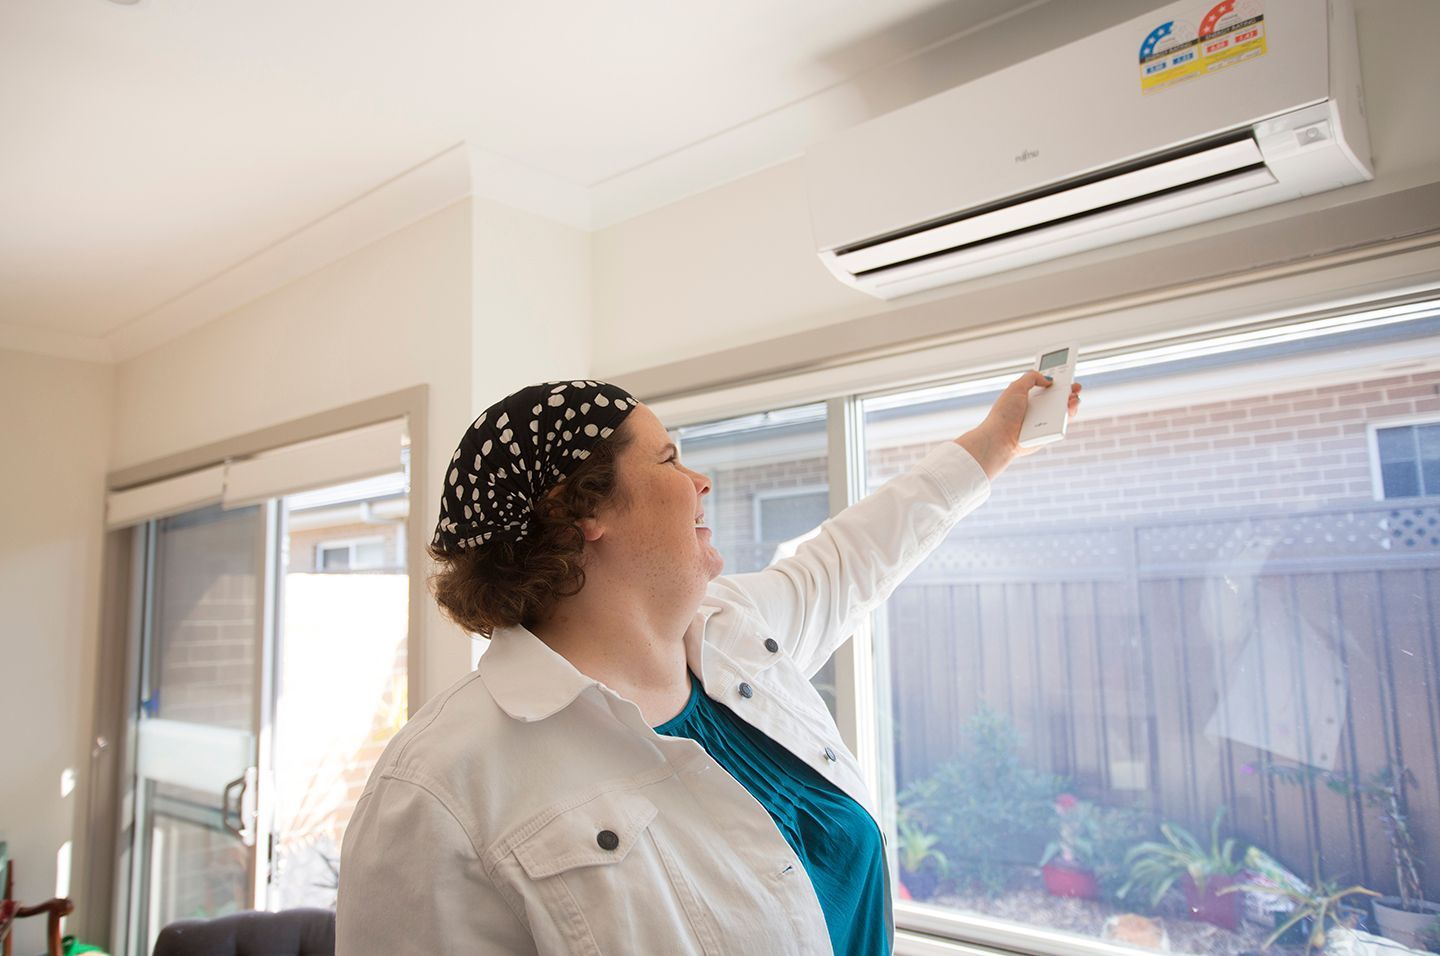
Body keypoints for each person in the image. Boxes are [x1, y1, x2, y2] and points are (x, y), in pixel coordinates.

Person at [336, 372, 1081, 955]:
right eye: (667, 459)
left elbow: (851, 558)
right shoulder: (437, 791)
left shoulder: (733, 633)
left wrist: (996, 440)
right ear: (582, 513)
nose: (701, 481)